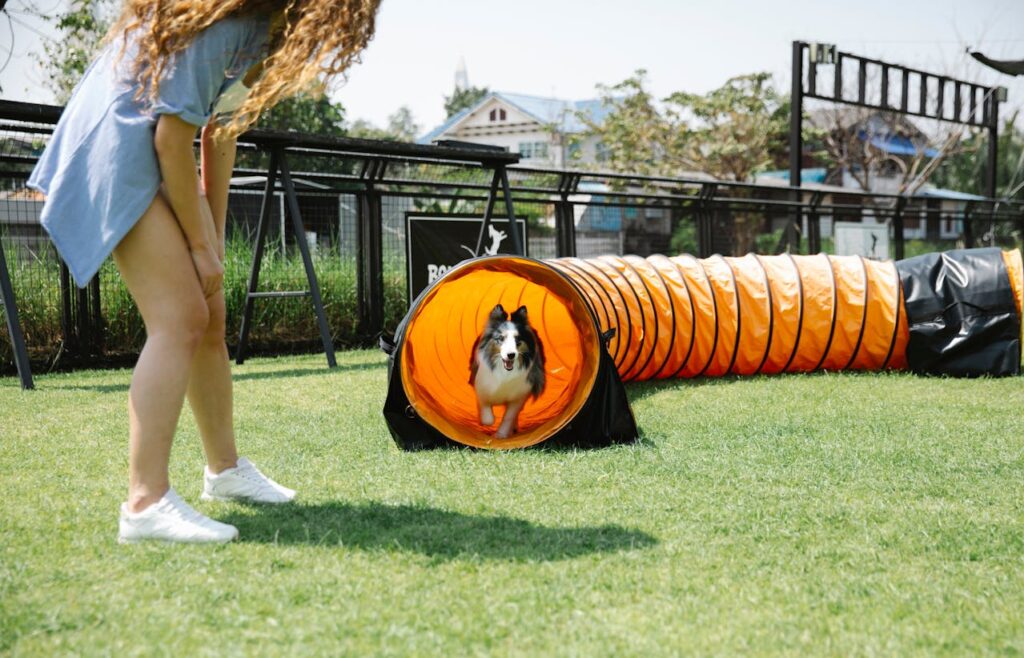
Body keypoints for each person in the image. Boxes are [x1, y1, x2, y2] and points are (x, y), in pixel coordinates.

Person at [27, 0, 381, 543]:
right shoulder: (230, 24)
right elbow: (171, 141)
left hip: (149, 150)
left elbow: (221, 131)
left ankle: (225, 471)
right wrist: (196, 245)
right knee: (180, 319)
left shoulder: (266, 34)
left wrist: (210, 242)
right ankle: (145, 504)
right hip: (116, 149)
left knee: (207, 313)